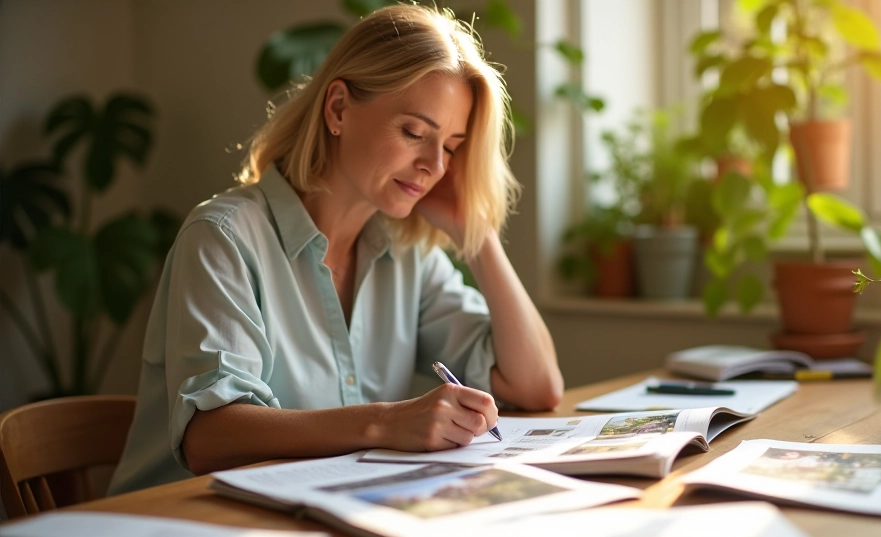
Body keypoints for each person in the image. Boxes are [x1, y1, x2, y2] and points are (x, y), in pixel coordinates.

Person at [108, 4, 563, 495]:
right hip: (173, 533)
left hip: (309, 522)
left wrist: (477, 234)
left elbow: (535, 386)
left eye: (451, 145)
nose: (435, 164)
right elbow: (209, 436)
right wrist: (386, 423)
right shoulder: (224, 237)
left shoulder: (408, 254)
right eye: (414, 132)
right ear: (339, 109)